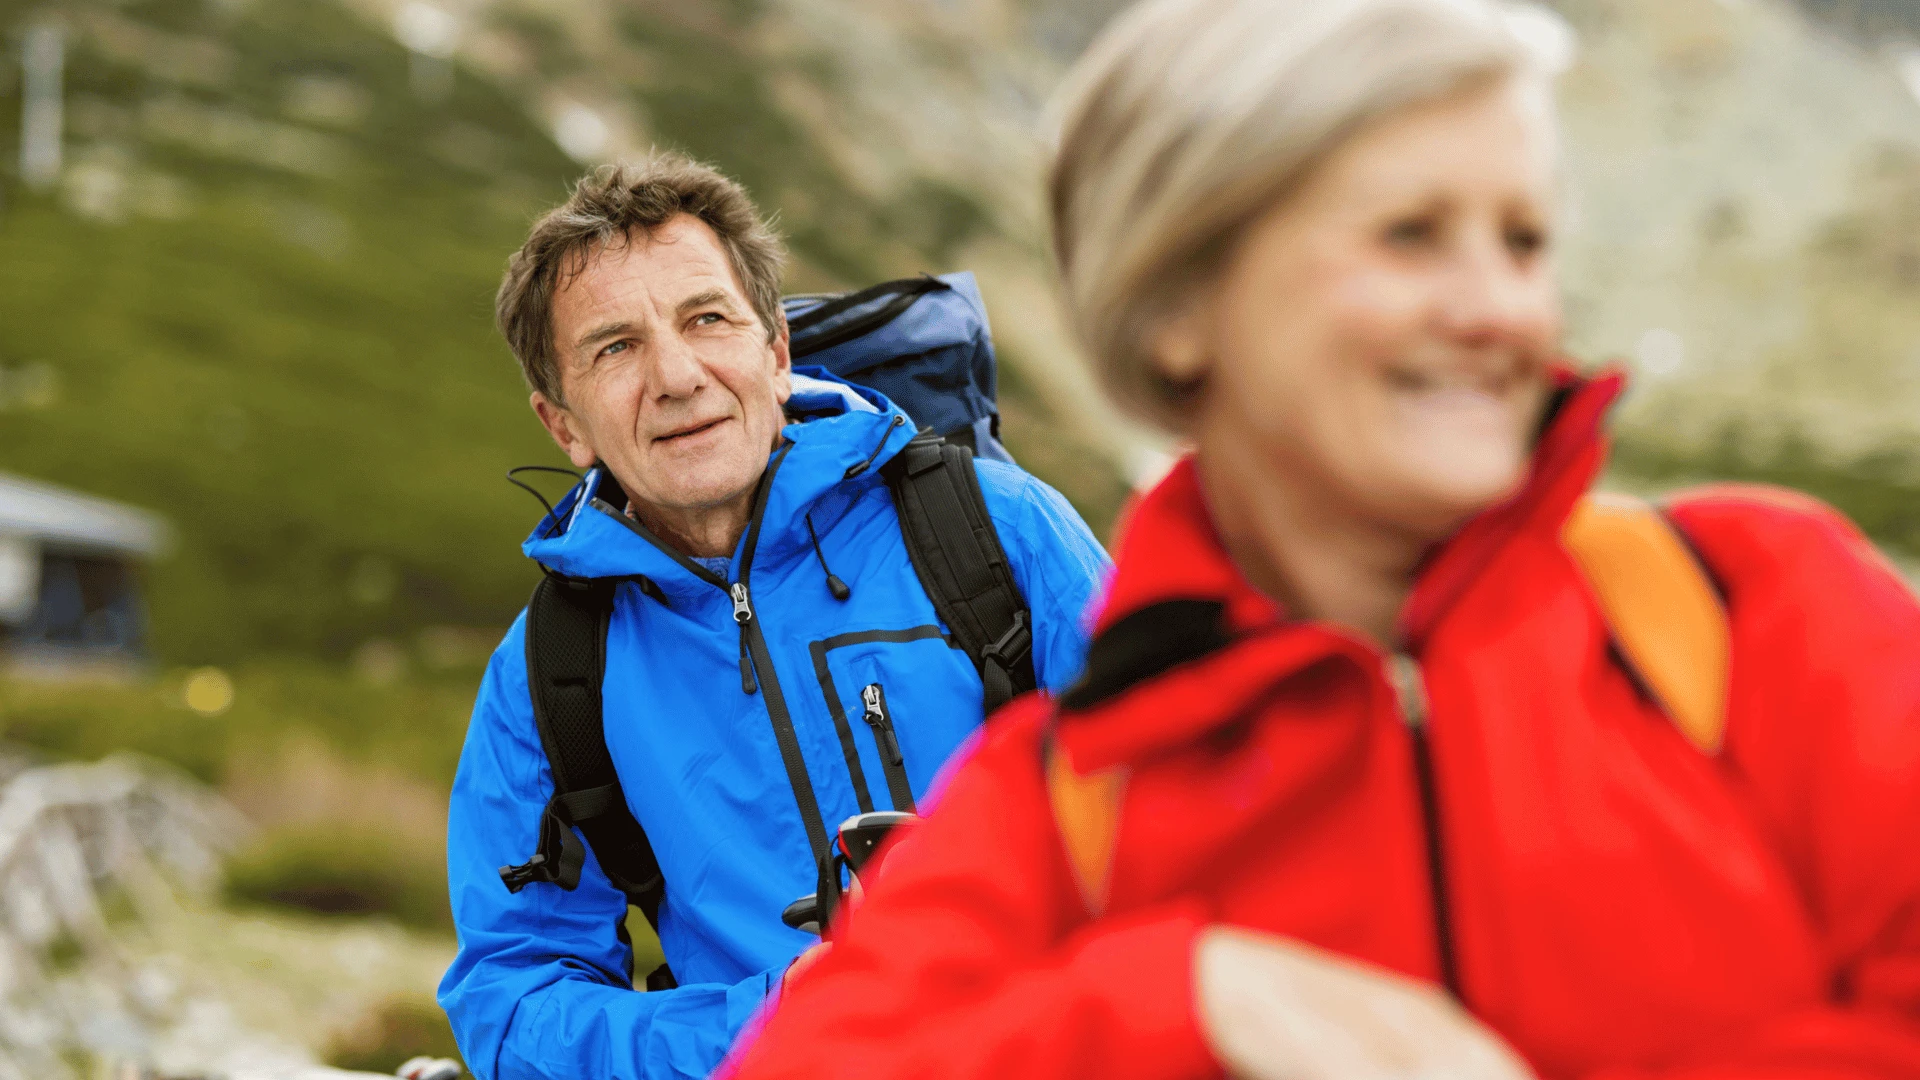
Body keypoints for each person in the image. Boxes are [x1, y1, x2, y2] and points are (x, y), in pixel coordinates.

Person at [720, 0, 1920, 1077]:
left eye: (1523, 240)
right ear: (1180, 304)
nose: (1501, 309)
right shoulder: (1068, 803)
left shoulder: (1755, 603)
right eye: (1409, 234)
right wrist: (1178, 1002)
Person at [436, 155, 1111, 1080]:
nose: (677, 376)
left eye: (706, 318)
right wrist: (768, 1024)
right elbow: (510, 1003)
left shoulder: (993, 527)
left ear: (776, 351)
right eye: (614, 347)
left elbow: (1211, 811)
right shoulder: (549, 671)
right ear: (565, 427)